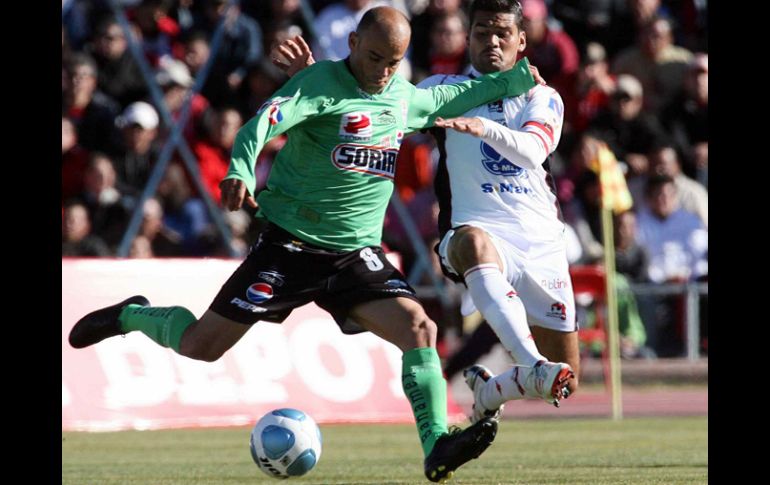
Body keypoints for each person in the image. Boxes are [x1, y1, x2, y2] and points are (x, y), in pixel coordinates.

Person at [68, 6, 538, 482]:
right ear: (352, 43)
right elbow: (261, 124)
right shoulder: (316, 85)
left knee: (420, 328)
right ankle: (133, 313)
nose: (382, 72)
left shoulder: (406, 98)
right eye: (374, 57)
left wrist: (518, 77)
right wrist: (240, 170)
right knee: (200, 346)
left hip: (354, 255)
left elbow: (472, 90)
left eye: (393, 62)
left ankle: (436, 442)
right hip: (289, 245)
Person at [272, 0, 576, 427]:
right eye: (481, 32)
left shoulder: (541, 95)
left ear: (521, 41)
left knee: (568, 381)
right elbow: (369, 102)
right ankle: (531, 362)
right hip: (475, 232)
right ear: (467, 38)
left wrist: (483, 127)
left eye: (502, 33)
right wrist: (312, 76)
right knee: (471, 241)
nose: (491, 41)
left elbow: (533, 150)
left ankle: (491, 390)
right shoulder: (443, 89)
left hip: (540, 240)